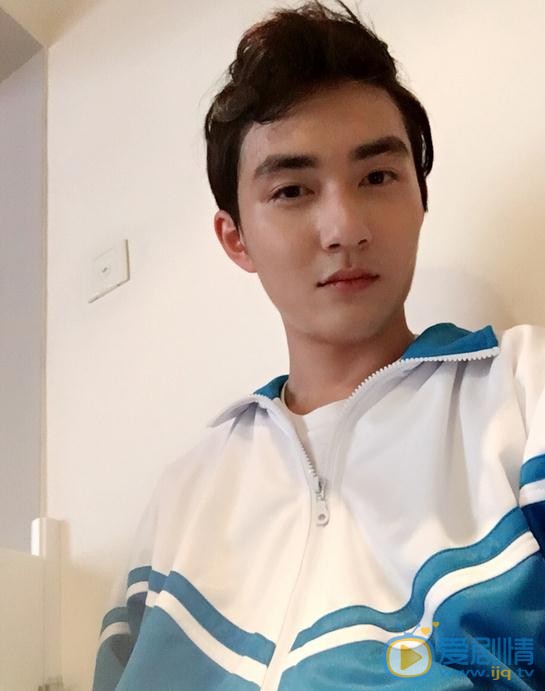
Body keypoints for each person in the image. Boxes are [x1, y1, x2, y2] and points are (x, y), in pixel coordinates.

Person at [92, 1, 545, 689]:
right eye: (292, 190)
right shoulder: (187, 491)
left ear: (420, 198)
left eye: (377, 177)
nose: (343, 228)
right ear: (236, 239)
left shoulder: (521, 391)